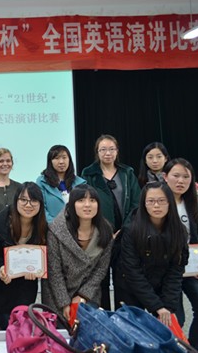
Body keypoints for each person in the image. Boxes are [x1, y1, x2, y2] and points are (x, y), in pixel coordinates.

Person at [115, 181, 189, 328]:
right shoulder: (131, 230)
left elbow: (176, 271)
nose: (156, 205)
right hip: (130, 286)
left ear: (170, 202)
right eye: (151, 201)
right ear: (143, 204)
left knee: (174, 322)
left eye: (161, 201)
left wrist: (167, 306)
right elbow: (132, 272)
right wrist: (156, 306)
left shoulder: (179, 231)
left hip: (162, 284)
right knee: (131, 327)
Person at [81, 134, 140, 309]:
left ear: (117, 151)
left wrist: (124, 230)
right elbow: (86, 204)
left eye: (111, 149)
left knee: (124, 282)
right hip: (99, 235)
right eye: (103, 149)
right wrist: (104, 230)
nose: (108, 153)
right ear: (97, 152)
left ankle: (123, 320)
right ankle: (104, 320)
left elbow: (136, 204)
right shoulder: (89, 173)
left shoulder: (127, 173)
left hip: (125, 235)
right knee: (101, 281)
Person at [42, 184, 113, 322]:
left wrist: (83, 296)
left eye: (92, 200)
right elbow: (54, 272)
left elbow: (100, 270)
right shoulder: (56, 230)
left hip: (88, 295)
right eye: (81, 200)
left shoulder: (105, 230)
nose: (87, 205)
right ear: (72, 204)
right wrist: (64, 303)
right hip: (57, 296)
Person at [164, 158, 198, 351]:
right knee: (176, 318)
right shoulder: (157, 201)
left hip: (193, 267)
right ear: (165, 177)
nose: (181, 181)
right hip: (167, 270)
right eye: (176, 175)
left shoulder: (192, 202)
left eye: (186, 177)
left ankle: (194, 352)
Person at [0, 182, 48, 329]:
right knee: (5, 328)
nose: (28, 205)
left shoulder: (43, 228)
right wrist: (1, 267)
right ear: (16, 201)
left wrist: (37, 270)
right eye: (23, 200)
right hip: (2, 286)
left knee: (23, 327)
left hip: (26, 287)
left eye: (33, 200)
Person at [36, 145, 86, 223]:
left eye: (64, 157)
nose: (61, 162)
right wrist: (55, 225)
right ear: (50, 161)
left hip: (76, 226)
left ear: (69, 160)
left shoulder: (80, 182)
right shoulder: (42, 181)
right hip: (51, 226)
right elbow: (41, 208)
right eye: (57, 158)